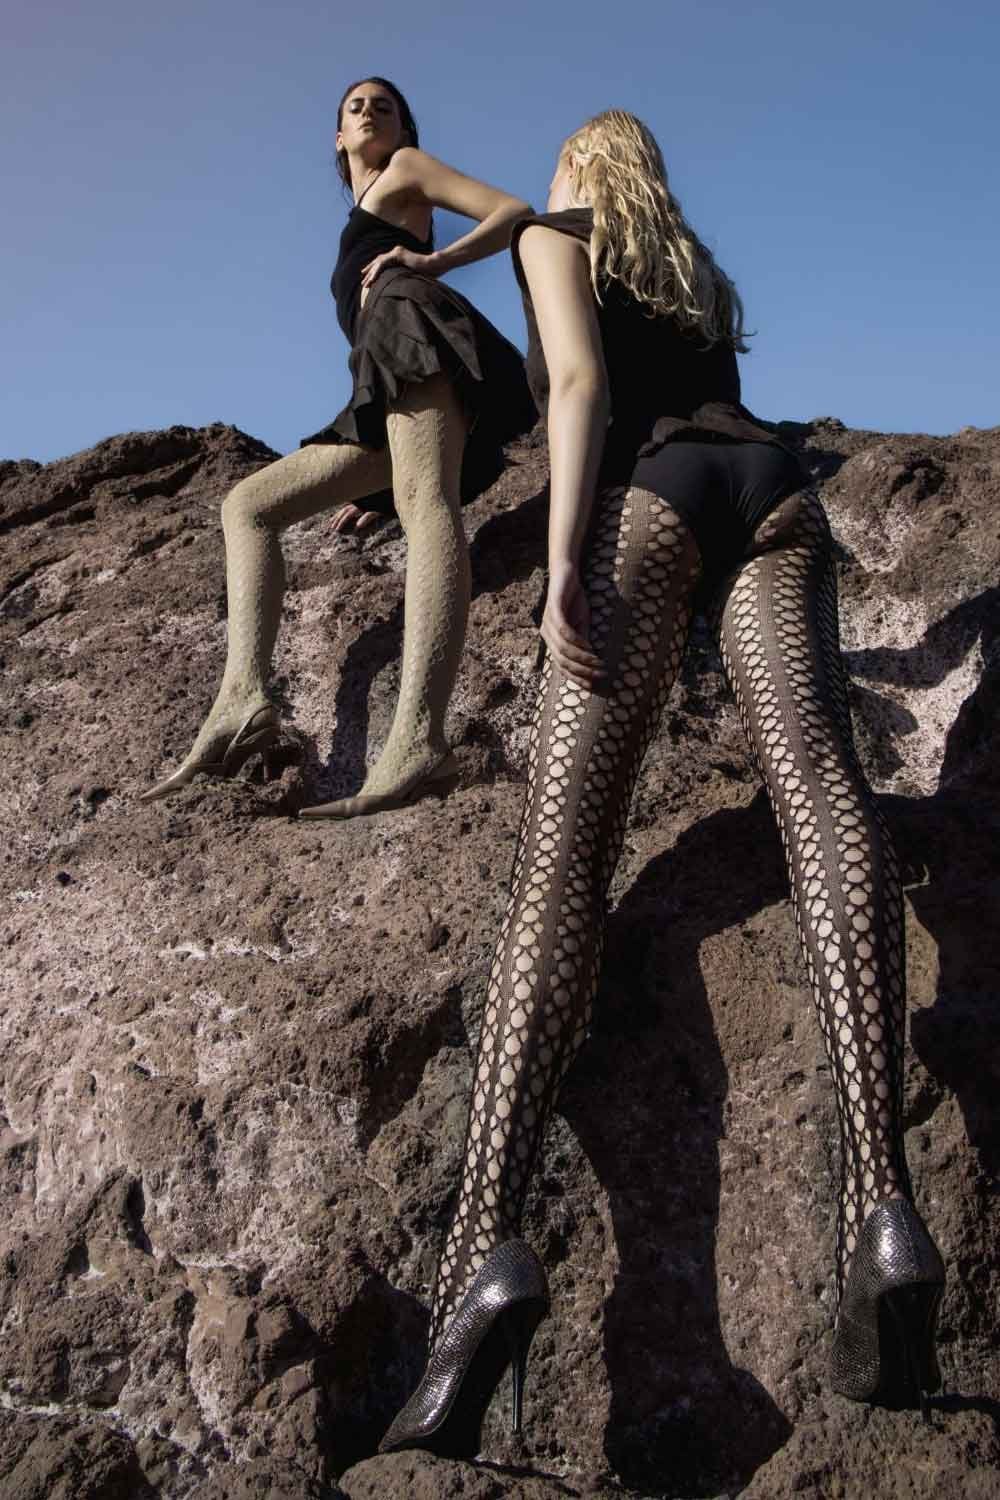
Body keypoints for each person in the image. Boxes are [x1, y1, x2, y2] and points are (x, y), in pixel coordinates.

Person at [378, 111, 945, 1455]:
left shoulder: (559, 236)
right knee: (823, 793)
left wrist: (565, 561)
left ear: (578, 175)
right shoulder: (696, 273)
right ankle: (884, 1204)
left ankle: (484, 1257)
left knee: (559, 865)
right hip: (777, 496)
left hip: (656, 498)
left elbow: (576, 391)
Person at [140, 77, 535, 815]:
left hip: (418, 331)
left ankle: (419, 738)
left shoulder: (405, 170)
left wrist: (432, 262)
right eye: (355, 106)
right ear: (335, 136)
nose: (369, 112)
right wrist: (372, 484)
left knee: (427, 505)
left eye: (385, 105)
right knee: (250, 505)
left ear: (403, 127)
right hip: (386, 379)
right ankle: (243, 703)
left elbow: (514, 213)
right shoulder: (360, 209)